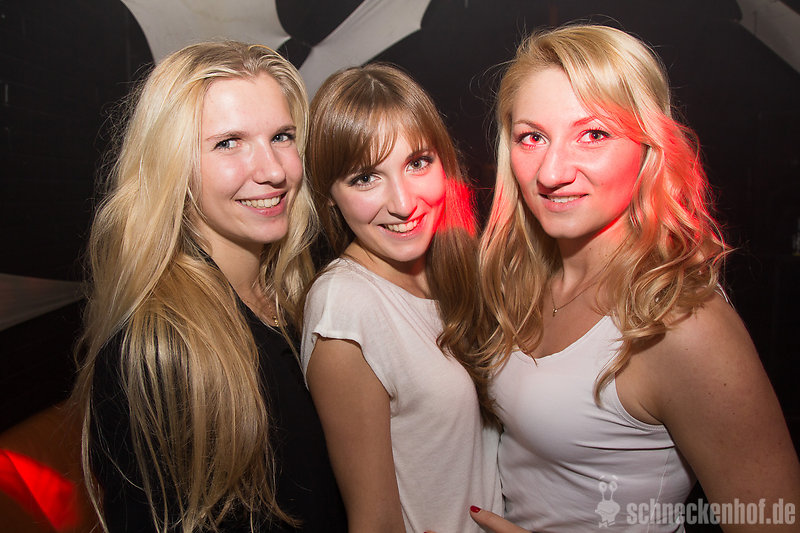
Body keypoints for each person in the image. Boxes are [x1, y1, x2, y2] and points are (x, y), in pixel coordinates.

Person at [471, 24, 800, 532]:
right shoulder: (523, 281)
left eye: (593, 134)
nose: (551, 172)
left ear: (649, 146)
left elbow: (773, 519)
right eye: (532, 138)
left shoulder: (682, 325)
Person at [71, 41, 346, 533]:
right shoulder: (160, 350)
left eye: (282, 136)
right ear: (172, 164)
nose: (274, 170)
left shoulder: (295, 298)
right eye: (229, 143)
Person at [300, 63, 502, 533]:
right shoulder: (345, 306)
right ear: (329, 196)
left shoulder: (454, 269)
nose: (404, 203)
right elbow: (374, 522)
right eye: (365, 178)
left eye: (417, 163)